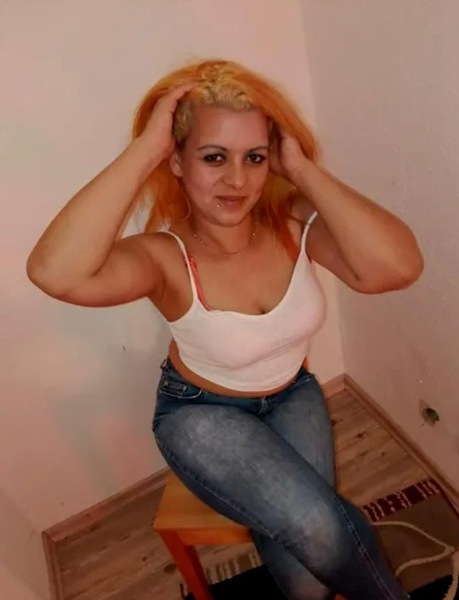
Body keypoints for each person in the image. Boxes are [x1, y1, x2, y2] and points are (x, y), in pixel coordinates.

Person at [26, 59, 423, 599]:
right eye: (214, 157)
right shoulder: (165, 257)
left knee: (308, 577)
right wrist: (145, 149)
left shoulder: (290, 224)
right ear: (177, 161)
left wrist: (301, 169)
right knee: (315, 525)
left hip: (292, 393)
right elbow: (55, 273)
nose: (238, 180)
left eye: (254, 157)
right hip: (201, 414)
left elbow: (397, 268)